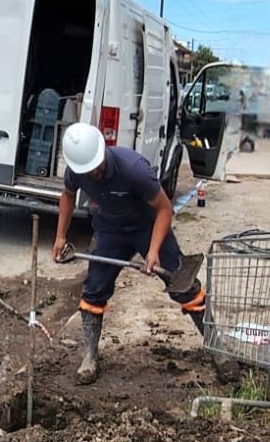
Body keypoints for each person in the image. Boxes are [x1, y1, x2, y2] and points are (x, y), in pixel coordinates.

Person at [52, 122, 207, 385]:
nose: (95, 173)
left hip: (148, 226)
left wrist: (154, 251)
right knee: (94, 290)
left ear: (103, 151)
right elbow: (67, 195)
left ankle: (218, 347)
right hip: (110, 229)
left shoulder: (134, 169)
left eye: (97, 166)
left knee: (184, 285)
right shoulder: (78, 169)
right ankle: (89, 356)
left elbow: (165, 209)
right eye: (88, 171)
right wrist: (60, 236)